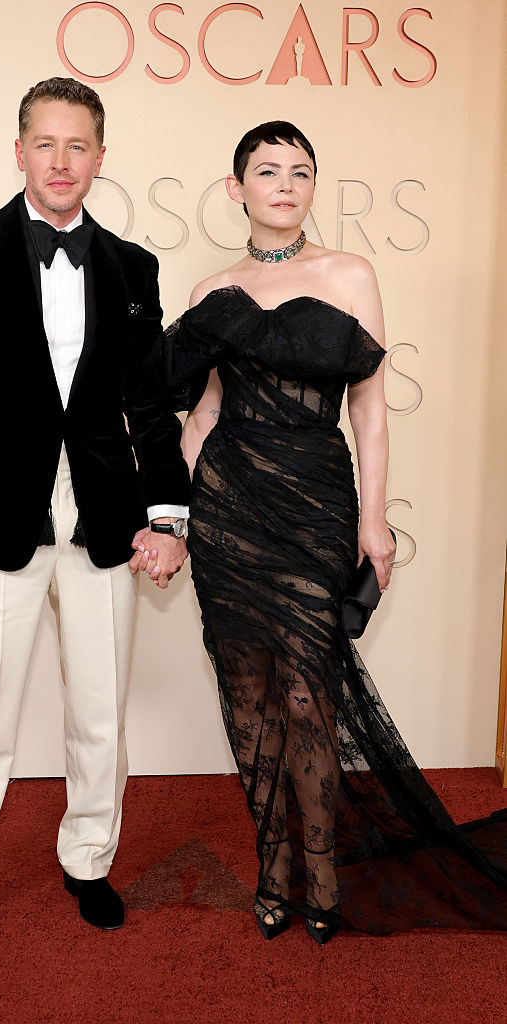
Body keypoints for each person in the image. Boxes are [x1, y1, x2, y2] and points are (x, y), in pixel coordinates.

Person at [136, 121, 507, 941]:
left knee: (307, 693)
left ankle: (323, 866)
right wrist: (170, 519)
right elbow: (200, 414)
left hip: (314, 503)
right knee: (248, 696)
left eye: (299, 172)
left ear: (312, 187)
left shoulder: (348, 274)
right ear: (235, 189)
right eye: (266, 171)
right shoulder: (210, 291)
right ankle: (272, 865)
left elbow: (369, 409)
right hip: (229, 507)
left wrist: (373, 524)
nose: (284, 184)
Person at [0, 77, 190, 964]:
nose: (62, 162)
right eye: (46, 144)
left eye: (79, 146)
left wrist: (168, 515)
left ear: (101, 158)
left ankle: (87, 859)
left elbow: (151, 406)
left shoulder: (132, 268)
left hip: (103, 523)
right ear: (18, 150)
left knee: (99, 711)